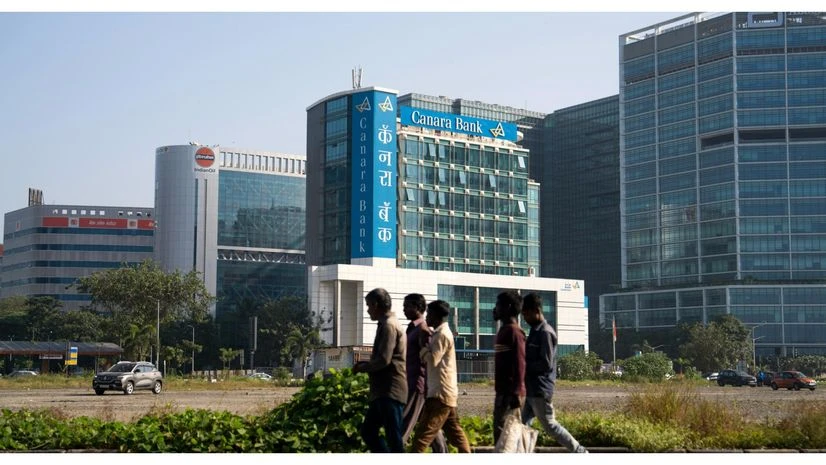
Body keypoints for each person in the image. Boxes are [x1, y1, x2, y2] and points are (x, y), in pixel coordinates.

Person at [520, 293, 588, 453]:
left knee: (550, 425)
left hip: (540, 389)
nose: (525, 318)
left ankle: (579, 451)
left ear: (536, 310)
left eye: (527, 314)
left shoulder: (545, 333)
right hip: (532, 388)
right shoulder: (535, 331)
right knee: (522, 426)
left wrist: (525, 366)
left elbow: (546, 363)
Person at [410, 299, 471, 453]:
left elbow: (433, 359)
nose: (427, 317)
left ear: (437, 315)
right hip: (443, 393)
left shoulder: (442, 335)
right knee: (456, 434)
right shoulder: (441, 333)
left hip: (440, 395)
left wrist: (422, 347)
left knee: (421, 439)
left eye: (429, 313)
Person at [353, 288, 407, 453]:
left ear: (376, 305)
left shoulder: (389, 326)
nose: (368, 310)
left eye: (369, 306)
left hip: (389, 390)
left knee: (393, 439)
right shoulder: (389, 323)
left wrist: (363, 367)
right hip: (383, 391)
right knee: (370, 432)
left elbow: (384, 360)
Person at [401, 293, 447, 452]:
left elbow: (431, 361)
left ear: (417, 307)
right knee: (429, 427)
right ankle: (443, 453)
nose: (404, 310)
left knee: (404, 425)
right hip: (413, 382)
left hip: (418, 385)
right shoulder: (413, 328)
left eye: (407, 306)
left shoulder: (423, 330)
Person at [492, 289, 526, 445]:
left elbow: (520, 363)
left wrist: (517, 392)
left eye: (498, 305)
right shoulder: (504, 330)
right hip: (502, 391)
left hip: (509, 394)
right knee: (502, 434)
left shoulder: (515, 332)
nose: (495, 308)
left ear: (509, 307)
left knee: (506, 437)